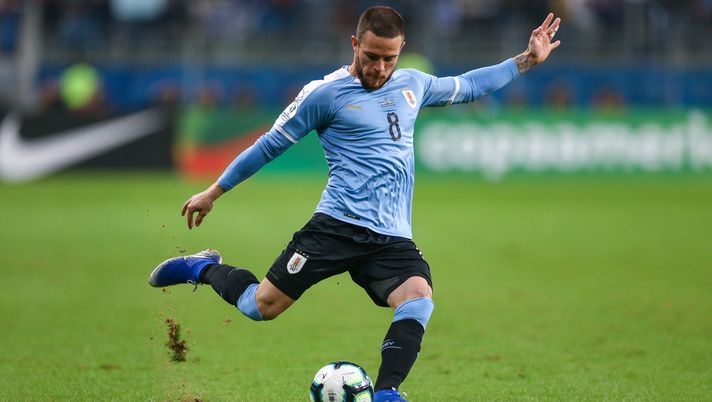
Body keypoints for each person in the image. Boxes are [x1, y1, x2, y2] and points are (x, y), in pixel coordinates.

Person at [149, 6, 561, 401]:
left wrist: (526, 60)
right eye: (371, 57)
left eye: (389, 59)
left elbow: (471, 85)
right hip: (335, 227)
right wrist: (214, 191)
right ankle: (203, 267)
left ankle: (386, 392)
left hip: (391, 237)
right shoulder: (323, 95)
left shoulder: (413, 84)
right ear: (354, 44)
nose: (380, 68)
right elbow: (269, 145)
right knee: (261, 307)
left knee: (418, 298)